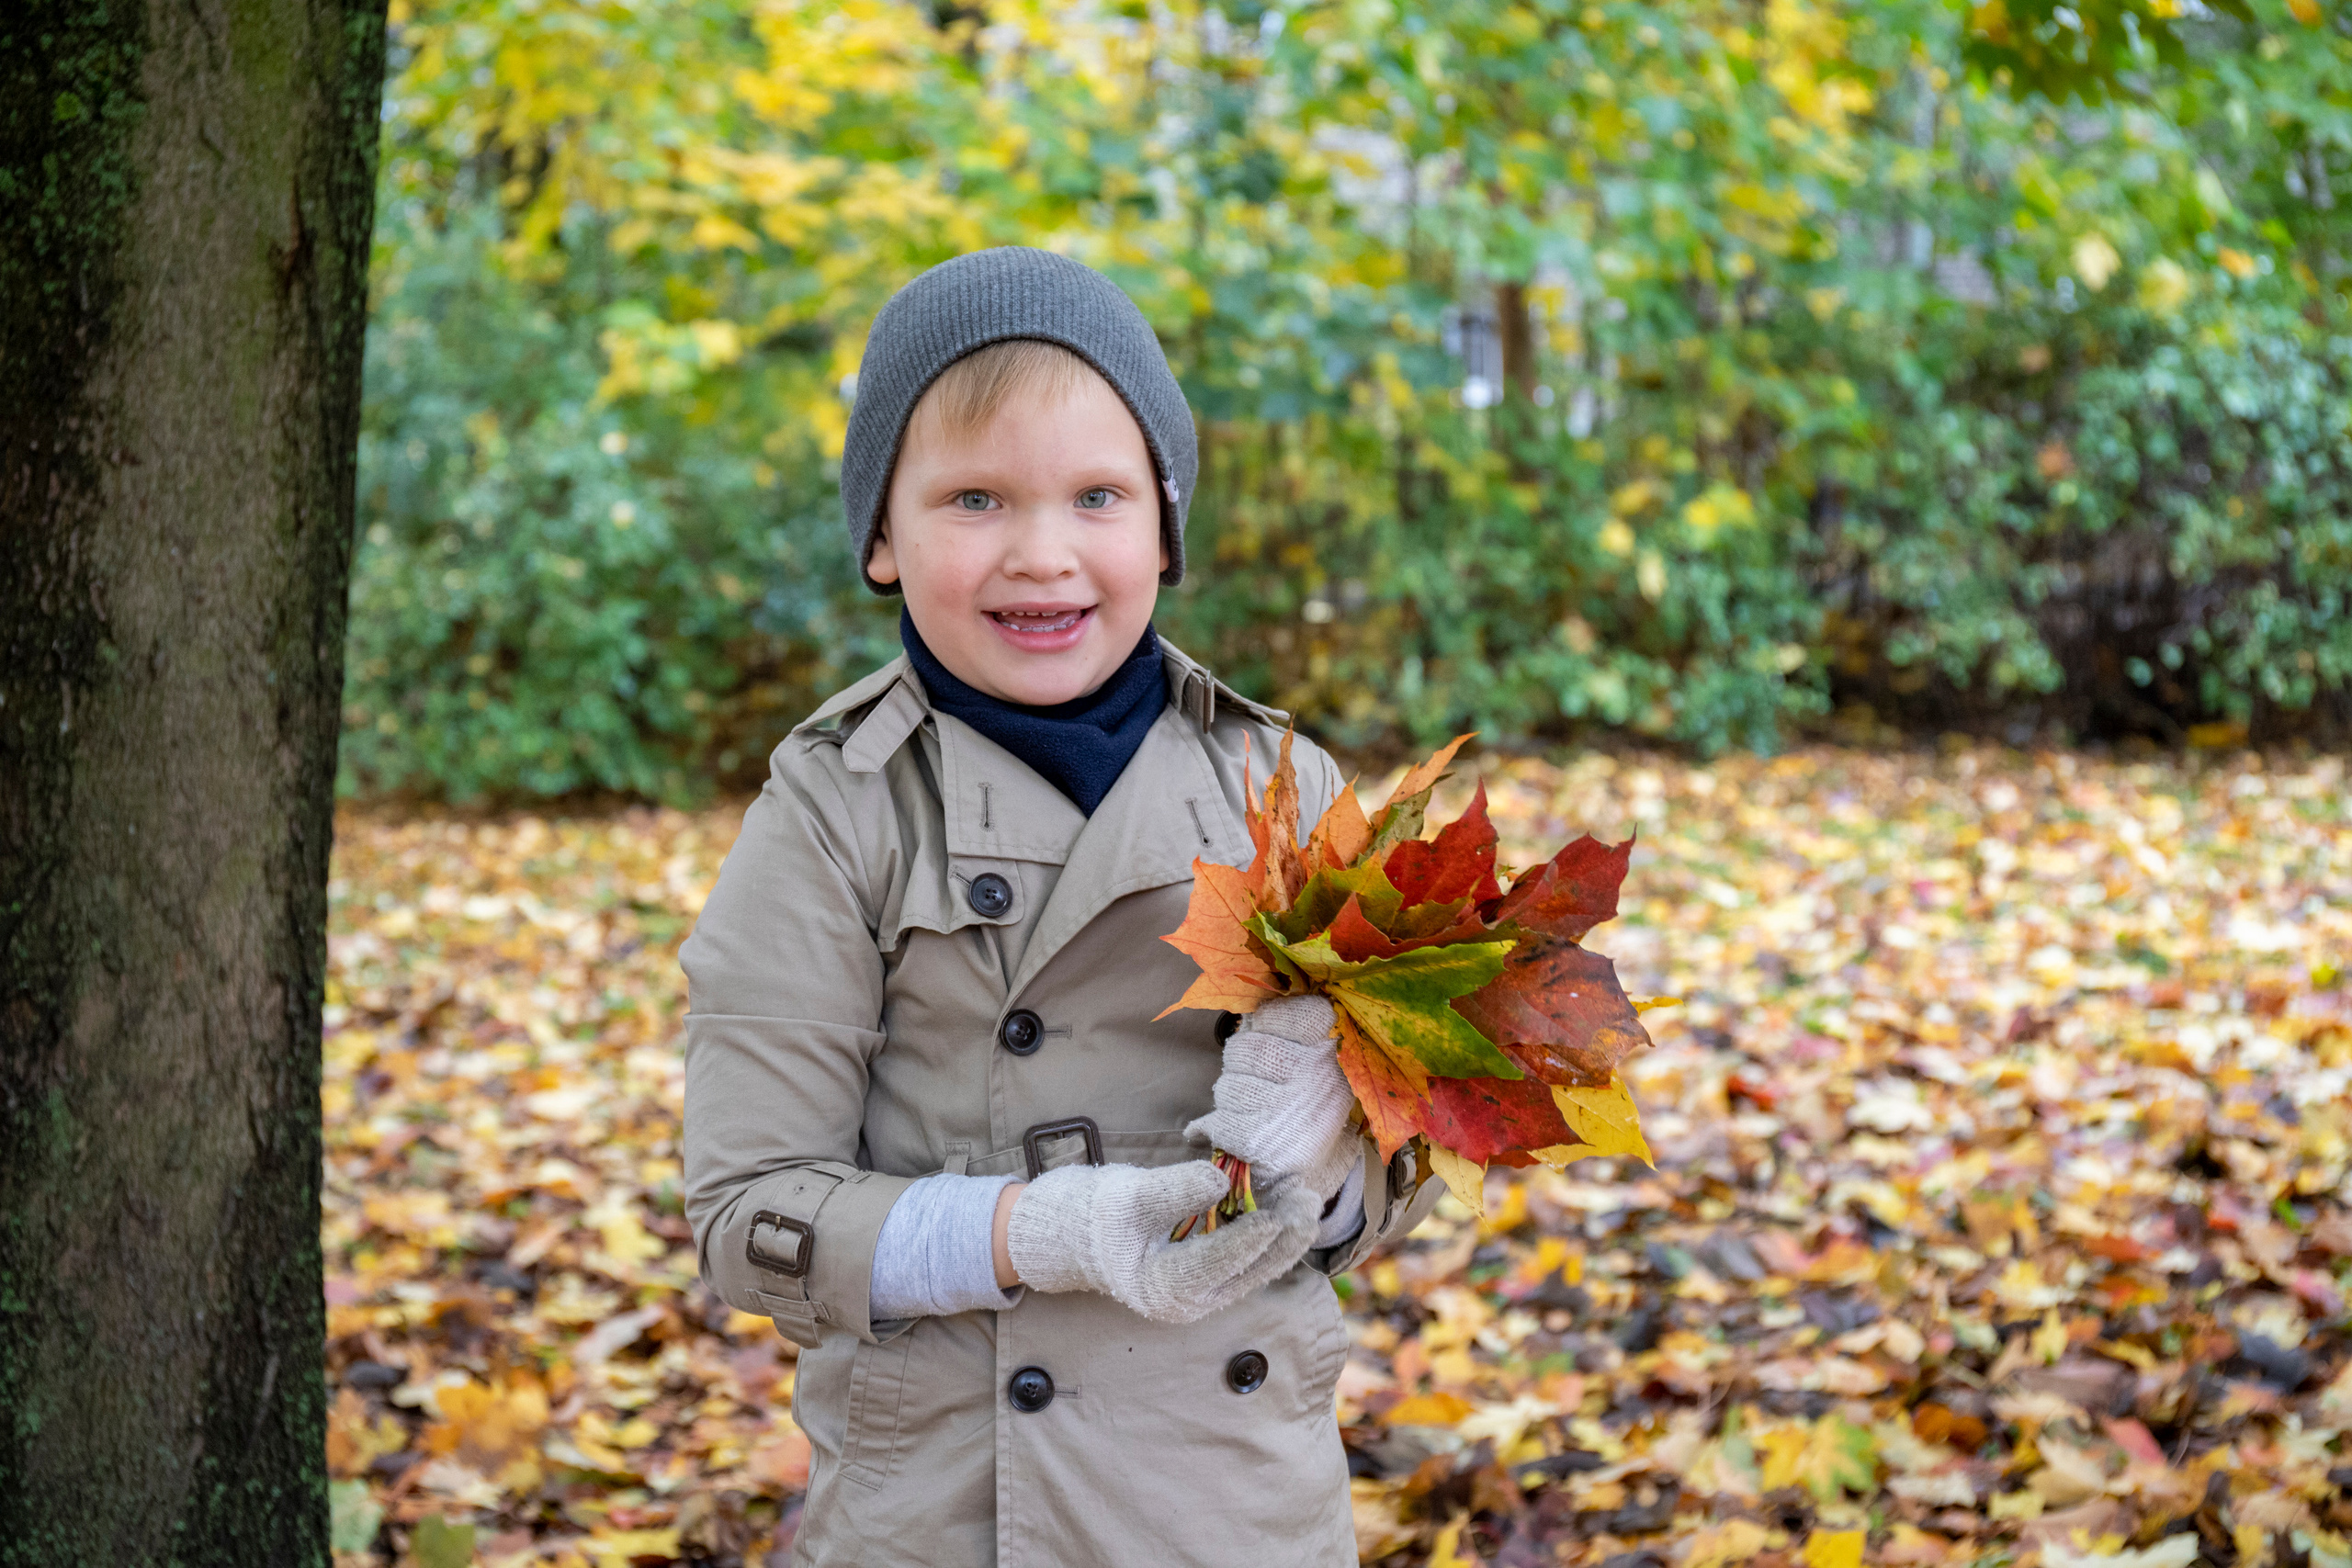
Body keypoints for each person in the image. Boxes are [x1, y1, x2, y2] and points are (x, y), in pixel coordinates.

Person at [681, 247, 1442, 1567]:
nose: (1044, 556)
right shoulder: (836, 807)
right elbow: (753, 1220)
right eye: (974, 498)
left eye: (1098, 496)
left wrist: (1310, 1171)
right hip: (952, 1510)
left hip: (1237, 1503)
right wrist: (1044, 1234)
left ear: (1163, 525)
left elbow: (1402, 1153)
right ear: (881, 534)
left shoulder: (1280, 782)